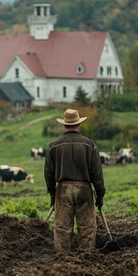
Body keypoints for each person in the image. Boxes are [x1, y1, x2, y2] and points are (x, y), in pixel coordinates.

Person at [44, 108, 106, 253]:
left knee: (62, 228)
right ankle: (86, 257)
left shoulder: (53, 146)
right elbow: (96, 173)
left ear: (64, 125)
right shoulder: (90, 144)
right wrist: (100, 194)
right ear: (78, 124)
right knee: (87, 228)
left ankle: (62, 259)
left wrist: (53, 195)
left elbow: (49, 173)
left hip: (63, 189)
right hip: (84, 189)